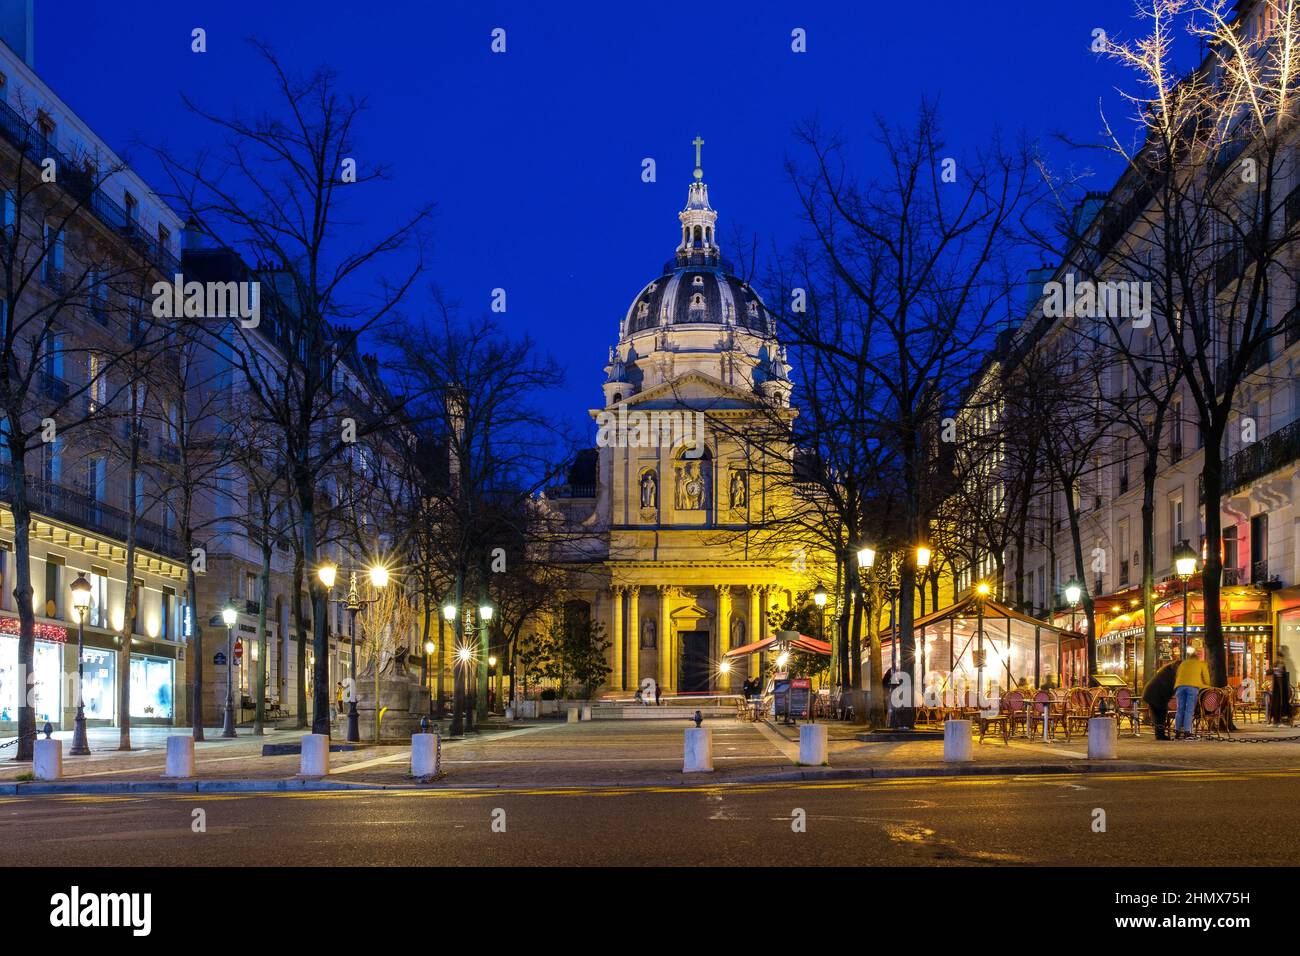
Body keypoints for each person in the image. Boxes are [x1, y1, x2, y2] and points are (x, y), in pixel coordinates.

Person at [1174, 644, 1210, 740]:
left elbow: (1177, 675)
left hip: (1179, 686)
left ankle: (1177, 731)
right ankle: (1187, 731)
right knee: (1189, 709)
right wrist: (1208, 686)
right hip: (1192, 687)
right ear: (1197, 658)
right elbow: (1206, 679)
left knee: (1180, 709)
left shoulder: (1183, 664)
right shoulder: (1200, 664)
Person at [1142, 660, 1180, 740]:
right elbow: (1170, 686)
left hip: (1152, 694)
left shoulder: (1167, 671)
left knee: (1159, 715)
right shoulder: (1169, 674)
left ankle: (1160, 735)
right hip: (1155, 695)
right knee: (1160, 715)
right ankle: (1160, 735)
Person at [1269, 647, 1294, 725]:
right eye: (1279, 657)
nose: (1280, 658)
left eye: (1281, 657)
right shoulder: (1276, 664)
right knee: (1276, 702)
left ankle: (1283, 719)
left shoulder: (1282, 664)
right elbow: (1272, 673)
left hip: (1282, 686)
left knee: (1283, 702)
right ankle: (1275, 719)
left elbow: (1285, 676)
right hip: (1277, 686)